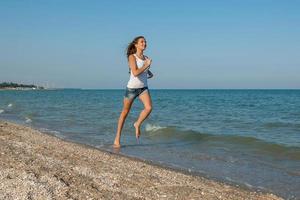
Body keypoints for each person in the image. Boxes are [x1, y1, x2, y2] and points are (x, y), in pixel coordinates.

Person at [113, 36, 153, 148]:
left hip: (143, 88)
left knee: (149, 108)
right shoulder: (132, 57)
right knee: (125, 113)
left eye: (145, 41)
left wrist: (149, 72)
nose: (144, 43)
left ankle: (137, 124)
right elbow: (135, 72)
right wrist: (146, 65)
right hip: (131, 89)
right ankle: (117, 139)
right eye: (142, 42)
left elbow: (143, 70)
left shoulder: (146, 58)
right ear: (136, 44)